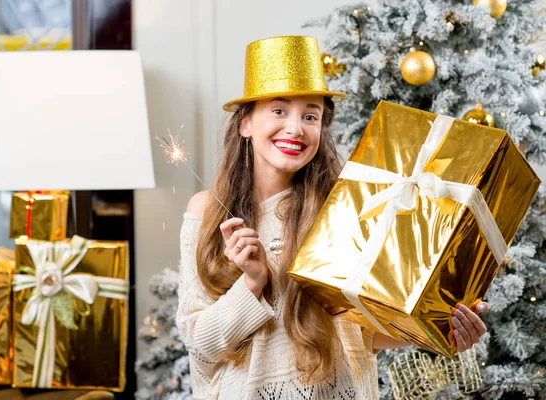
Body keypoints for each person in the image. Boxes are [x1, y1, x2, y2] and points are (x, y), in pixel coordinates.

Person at [176, 36, 489, 400]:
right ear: (245, 123)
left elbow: (362, 333)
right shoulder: (206, 211)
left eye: (311, 115)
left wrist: (440, 330)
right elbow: (201, 346)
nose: (295, 128)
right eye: (278, 111)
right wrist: (252, 283)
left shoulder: (345, 206)